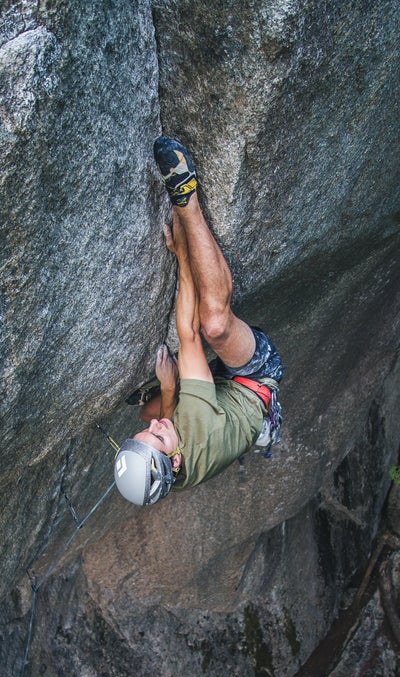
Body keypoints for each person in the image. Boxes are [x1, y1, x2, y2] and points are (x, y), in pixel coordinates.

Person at [114, 136, 284, 506]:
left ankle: (180, 384)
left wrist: (167, 396)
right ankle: (187, 196)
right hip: (254, 381)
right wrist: (182, 252)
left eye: (145, 434)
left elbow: (156, 423)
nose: (154, 426)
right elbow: (189, 331)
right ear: (175, 460)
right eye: (158, 436)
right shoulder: (194, 429)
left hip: (218, 408)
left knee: (147, 408)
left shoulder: (165, 477)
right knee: (215, 326)